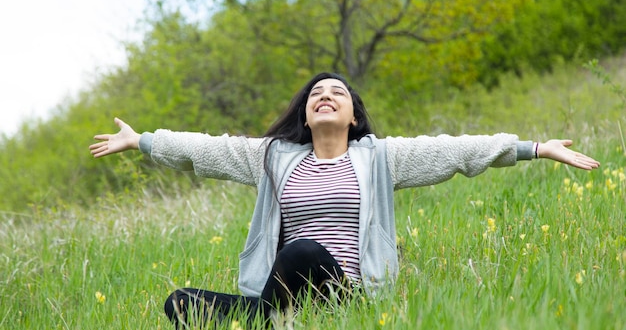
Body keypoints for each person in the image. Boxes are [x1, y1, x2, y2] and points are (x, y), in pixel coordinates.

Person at [89, 72, 600, 328]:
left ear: (353, 115)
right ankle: (268, 317)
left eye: (337, 92)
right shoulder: (272, 158)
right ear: (306, 116)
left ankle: (258, 320)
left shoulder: (380, 159)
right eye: (316, 95)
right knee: (179, 303)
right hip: (285, 297)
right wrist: (143, 141)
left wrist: (534, 149)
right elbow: (207, 149)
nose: (325, 95)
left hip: (348, 298)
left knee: (303, 253)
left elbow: (455, 151)